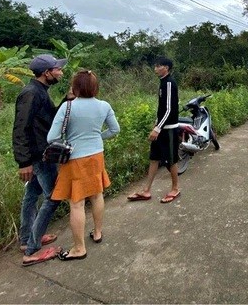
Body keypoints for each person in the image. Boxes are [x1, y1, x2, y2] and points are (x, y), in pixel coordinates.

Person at [47, 70, 120, 261]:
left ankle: (79, 248)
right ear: (95, 87)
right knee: (97, 194)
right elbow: (115, 129)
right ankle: (97, 233)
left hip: (75, 159)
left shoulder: (67, 108)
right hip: (96, 155)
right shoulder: (104, 106)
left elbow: (51, 137)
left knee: (77, 203)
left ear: (75, 87)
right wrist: (97, 137)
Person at [13, 54, 67, 266]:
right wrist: (23, 162)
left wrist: (66, 100)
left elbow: (49, 119)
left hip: (40, 152)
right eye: (57, 69)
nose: (60, 72)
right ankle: (32, 251)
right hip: (39, 155)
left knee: (32, 194)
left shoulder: (40, 91)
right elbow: (20, 128)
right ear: (47, 73)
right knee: (54, 197)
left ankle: (27, 239)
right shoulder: (31, 94)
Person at [127, 57, 180, 204]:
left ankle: (175, 188)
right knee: (154, 158)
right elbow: (161, 109)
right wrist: (156, 124)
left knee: (171, 160)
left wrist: (157, 128)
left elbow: (169, 109)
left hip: (169, 129)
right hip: (161, 127)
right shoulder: (162, 82)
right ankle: (146, 190)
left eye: (159, 66)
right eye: (155, 66)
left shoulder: (169, 83)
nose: (155, 68)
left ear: (167, 68)